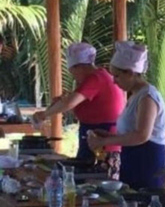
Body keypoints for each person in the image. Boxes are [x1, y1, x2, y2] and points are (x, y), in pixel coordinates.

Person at [33, 43, 125, 179]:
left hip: (104, 140)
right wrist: (60, 103)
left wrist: (44, 115)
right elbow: (76, 105)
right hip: (90, 134)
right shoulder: (94, 77)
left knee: (97, 182)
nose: (73, 76)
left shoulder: (95, 78)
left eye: (72, 71)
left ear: (80, 67)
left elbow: (69, 103)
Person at [87, 41, 165, 190]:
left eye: (117, 76)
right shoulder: (136, 95)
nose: (114, 81)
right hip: (133, 159)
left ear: (130, 73)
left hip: (146, 162)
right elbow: (131, 132)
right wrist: (107, 137)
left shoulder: (147, 97)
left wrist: (104, 141)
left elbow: (142, 135)